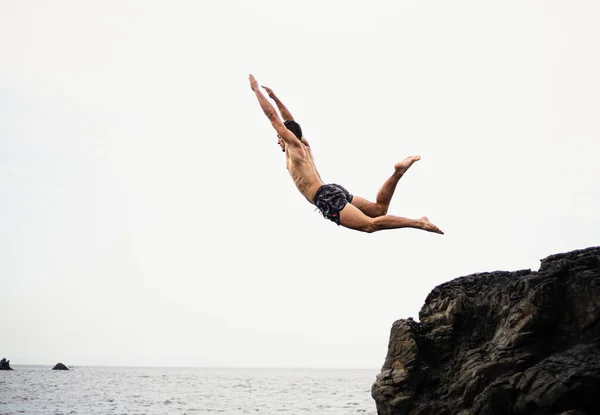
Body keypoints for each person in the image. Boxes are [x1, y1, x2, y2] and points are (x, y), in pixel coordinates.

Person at [249, 74, 443, 235]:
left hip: (324, 196)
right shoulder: (303, 144)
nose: (278, 140)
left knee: (369, 225)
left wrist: (256, 90)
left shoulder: (294, 147)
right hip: (330, 190)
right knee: (379, 210)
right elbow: (290, 120)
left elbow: (273, 117)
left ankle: (419, 223)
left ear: (286, 136)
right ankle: (397, 173)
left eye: (279, 137)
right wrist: (275, 97)